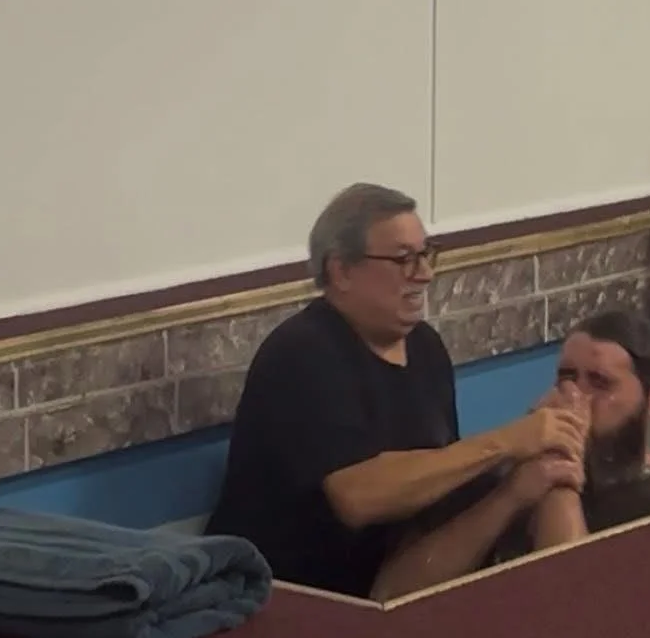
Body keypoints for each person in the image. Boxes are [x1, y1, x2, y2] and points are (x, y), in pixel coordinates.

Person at [206, 183, 589, 601]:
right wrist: (509, 442)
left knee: (549, 484)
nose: (424, 273)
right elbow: (360, 497)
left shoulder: (425, 348)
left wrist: (533, 462)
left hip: (390, 585)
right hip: (287, 600)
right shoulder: (303, 353)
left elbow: (438, 483)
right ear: (341, 271)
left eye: (426, 255)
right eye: (403, 259)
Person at [528, 310, 650, 547]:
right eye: (567, 378)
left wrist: (560, 460)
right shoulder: (521, 480)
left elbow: (569, 582)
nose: (575, 395)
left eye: (600, 382)